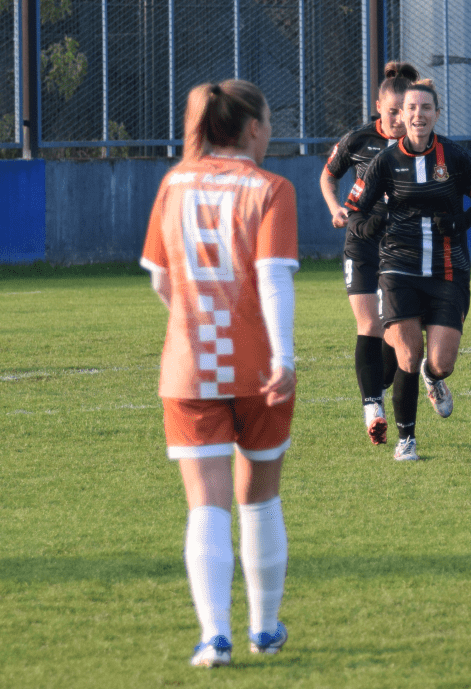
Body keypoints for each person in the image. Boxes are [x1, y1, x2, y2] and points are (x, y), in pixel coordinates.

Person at [140, 80, 297, 667]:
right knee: (260, 497)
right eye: (269, 122)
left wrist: (193, 318)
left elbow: (161, 279)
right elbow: (273, 276)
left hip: (189, 367)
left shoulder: (174, 183)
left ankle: (214, 637)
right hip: (259, 368)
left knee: (205, 503)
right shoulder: (271, 188)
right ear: (253, 127)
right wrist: (283, 358)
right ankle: (265, 629)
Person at [344, 80, 471, 462]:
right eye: (411, 108)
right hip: (399, 268)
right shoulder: (385, 161)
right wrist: (368, 227)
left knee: (442, 362)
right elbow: (354, 209)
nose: (418, 115)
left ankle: (434, 377)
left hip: (448, 270)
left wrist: (460, 222)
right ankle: (406, 440)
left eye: (426, 108)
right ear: (401, 114)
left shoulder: (455, 157)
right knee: (407, 357)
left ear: (437, 114)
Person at [319, 60, 418, 445]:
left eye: (405, 111)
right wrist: (335, 209)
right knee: (369, 326)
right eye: (392, 112)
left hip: (404, 246)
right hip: (362, 241)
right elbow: (329, 175)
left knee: (398, 334)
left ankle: (402, 379)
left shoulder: (422, 143)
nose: (400, 119)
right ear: (378, 107)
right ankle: (372, 409)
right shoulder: (358, 140)